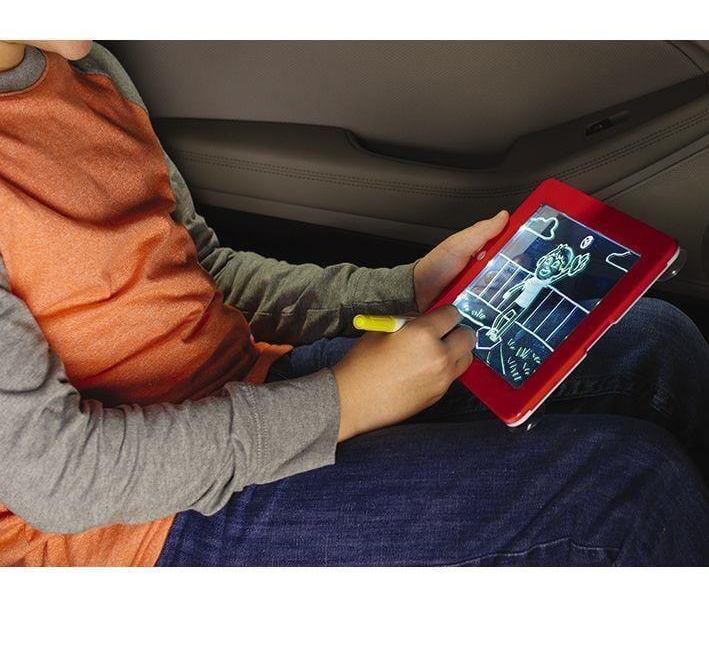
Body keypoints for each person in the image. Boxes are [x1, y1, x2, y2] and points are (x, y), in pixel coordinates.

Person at [0, 40, 707, 567]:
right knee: (628, 491)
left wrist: (406, 289)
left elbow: (207, 272)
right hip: (128, 527)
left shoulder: (89, 71)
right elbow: (59, 479)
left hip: (247, 384)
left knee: (655, 344)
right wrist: (347, 401)